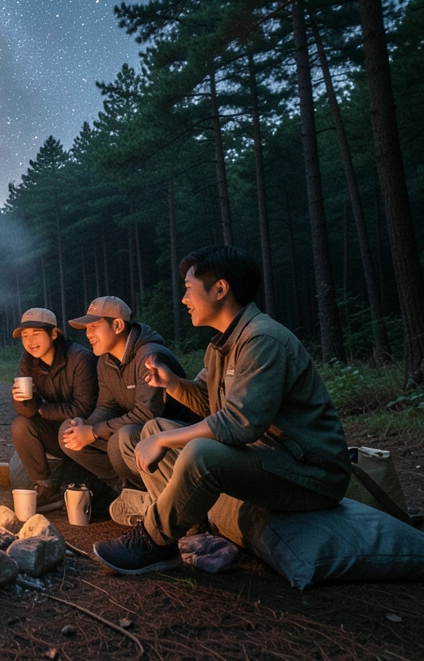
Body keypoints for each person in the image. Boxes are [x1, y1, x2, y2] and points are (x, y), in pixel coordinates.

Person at [93, 245, 351, 575]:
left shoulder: (263, 339)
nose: (184, 300)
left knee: (199, 452)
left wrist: (163, 443)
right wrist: (171, 383)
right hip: (266, 459)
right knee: (152, 429)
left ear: (220, 289)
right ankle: (188, 529)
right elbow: (206, 402)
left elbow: (239, 422)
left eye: (188, 289)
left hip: (308, 472)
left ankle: (152, 540)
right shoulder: (222, 345)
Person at [60, 296, 195, 512]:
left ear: (118, 325)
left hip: (172, 444)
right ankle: (125, 491)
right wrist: (84, 426)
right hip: (133, 441)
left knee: (120, 439)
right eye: (87, 328)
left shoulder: (150, 356)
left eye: (94, 326)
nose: (88, 334)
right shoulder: (106, 361)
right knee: (67, 433)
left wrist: (93, 432)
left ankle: (151, 496)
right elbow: (107, 406)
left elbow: (147, 415)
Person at [9, 307, 97, 512]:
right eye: (25, 335)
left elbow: (84, 408)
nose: (30, 341)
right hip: (53, 434)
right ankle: (45, 486)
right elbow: (27, 412)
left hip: (83, 434)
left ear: (54, 333)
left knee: (69, 425)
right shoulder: (28, 361)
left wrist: (41, 408)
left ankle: (83, 478)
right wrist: (20, 399)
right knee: (20, 425)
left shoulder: (79, 358)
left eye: (36, 333)